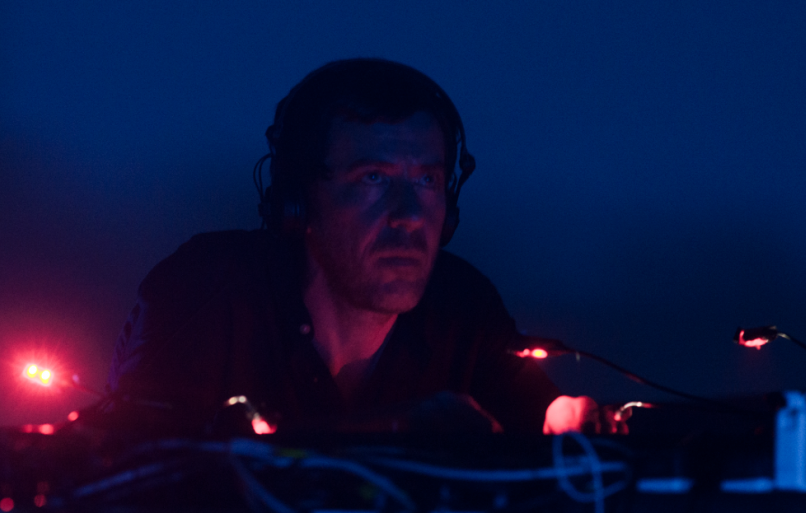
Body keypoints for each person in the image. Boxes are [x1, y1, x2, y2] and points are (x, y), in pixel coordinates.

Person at [105, 58, 598, 435]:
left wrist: (569, 420)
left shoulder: (465, 308)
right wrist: (386, 431)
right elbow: (128, 460)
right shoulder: (206, 289)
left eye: (427, 180)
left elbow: (543, 417)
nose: (408, 214)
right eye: (374, 177)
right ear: (299, 201)